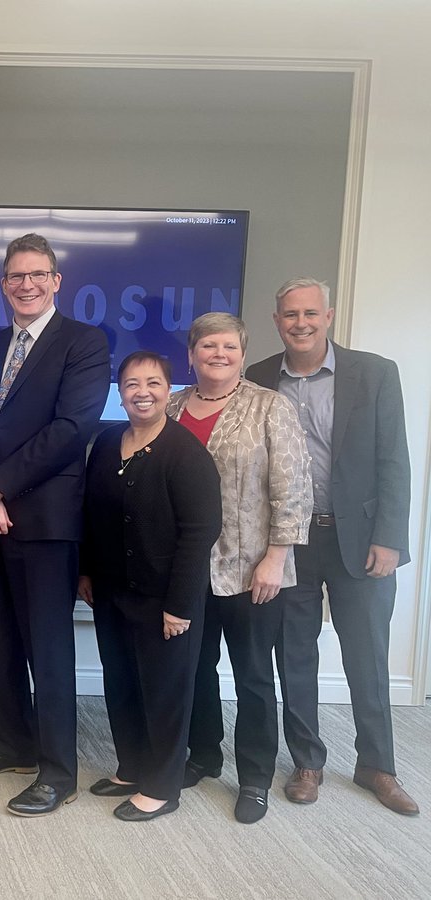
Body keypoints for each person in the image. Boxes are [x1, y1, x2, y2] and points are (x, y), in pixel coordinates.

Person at [0, 233, 110, 817]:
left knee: (47, 645)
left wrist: (0, 486)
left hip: (43, 518)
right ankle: (11, 740)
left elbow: (71, 428)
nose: (27, 285)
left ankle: (58, 771)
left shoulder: (84, 344)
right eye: (16, 276)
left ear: (57, 280)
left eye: (38, 274)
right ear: (4, 283)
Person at [245, 278, 418, 816]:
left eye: (310, 313)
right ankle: (308, 763)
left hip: (361, 540)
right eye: (290, 314)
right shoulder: (258, 377)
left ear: (329, 316)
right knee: (294, 654)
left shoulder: (374, 373)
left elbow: (395, 459)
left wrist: (389, 537)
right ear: (277, 320)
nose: (301, 323)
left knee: (366, 654)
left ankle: (378, 766)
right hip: (289, 542)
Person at [166, 312, 311, 824]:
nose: (218, 354)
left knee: (252, 677)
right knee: (195, 670)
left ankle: (253, 778)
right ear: (191, 354)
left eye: (228, 346)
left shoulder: (271, 406)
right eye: (207, 346)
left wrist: (277, 557)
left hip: (252, 571)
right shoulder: (171, 405)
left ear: (242, 353)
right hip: (185, 571)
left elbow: (293, 490)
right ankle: (203, 755)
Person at [78, 351, 222, 821]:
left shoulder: (185, 452)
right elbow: (91, 517)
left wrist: (180, 605)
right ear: (120, 393)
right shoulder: (104, 443)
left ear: (168, 390)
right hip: (112, 592)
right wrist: (85, 572)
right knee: (121, 683)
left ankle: (162, 785)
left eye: (153, 383)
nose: (142, 392)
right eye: (132, 384)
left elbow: (201, 532)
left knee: (164, 691)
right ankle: (132, 766)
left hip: (166, 599)